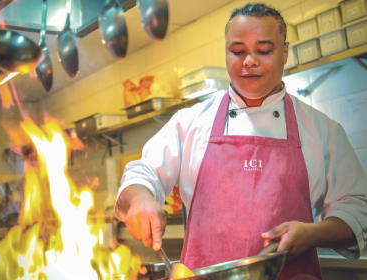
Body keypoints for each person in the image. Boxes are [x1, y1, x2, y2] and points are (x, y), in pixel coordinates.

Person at [115, 3, 367, 279]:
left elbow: (357, 210)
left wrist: (312, 233)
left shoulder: (322, 130)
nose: (249, 60)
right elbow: (143, 172)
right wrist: (140, 198)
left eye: (264, 50)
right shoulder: (189, 123)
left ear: (285, 52)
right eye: (237, 51)